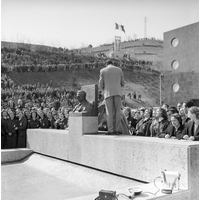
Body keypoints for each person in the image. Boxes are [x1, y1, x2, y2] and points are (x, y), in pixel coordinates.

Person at [99, 59, 125, 135]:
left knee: (109, 112)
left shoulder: (102, 70)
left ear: (106, 64)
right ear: (113, 63)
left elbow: (101, 84)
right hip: (117, 92)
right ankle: (117, 129)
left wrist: (105, 88)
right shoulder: (119, 70)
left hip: (108, 93)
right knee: (118, 111)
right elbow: (123, 83)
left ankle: (110, 130)